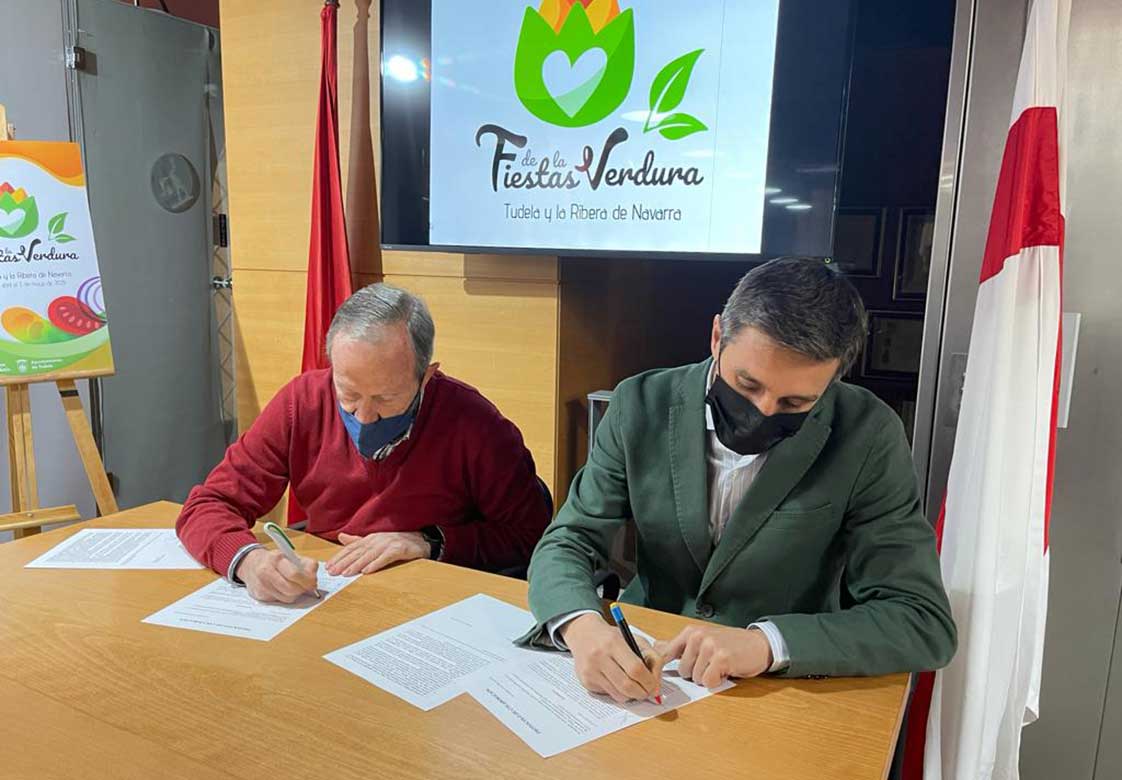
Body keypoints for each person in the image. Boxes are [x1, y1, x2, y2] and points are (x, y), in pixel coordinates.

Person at [519, 257, 956, 703]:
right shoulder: (641, 404)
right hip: (649, 658)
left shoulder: (867, 434)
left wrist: (767, 644)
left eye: (794, 403)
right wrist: (581, 626)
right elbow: (568, 540)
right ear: (716, 337)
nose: (762, 412)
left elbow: (921, 620)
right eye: (747, 385)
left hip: (778, 691)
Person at [177, 283, 551, 603]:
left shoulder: (474, 424)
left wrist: (429, 543)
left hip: (431, 600)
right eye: (349, 394)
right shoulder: (302, 402)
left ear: (426, 376)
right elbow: (208, 505)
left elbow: (531, 535)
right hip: (327, 592)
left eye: (386, 398)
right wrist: (247, 561)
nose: (366, 417)